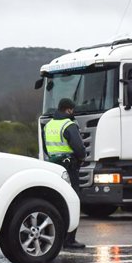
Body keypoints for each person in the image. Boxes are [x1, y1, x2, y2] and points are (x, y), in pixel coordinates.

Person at [43, 98, 86, 249]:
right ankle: (69, 240)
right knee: (73, 200)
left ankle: (57, 238)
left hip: (53, 167)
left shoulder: (48, 125)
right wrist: (81, 159)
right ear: (68, 110)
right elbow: (79, 149)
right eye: (72, 110)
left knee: (56, 201)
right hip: (69, 167)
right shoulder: (69, 125)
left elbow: (47, 148)